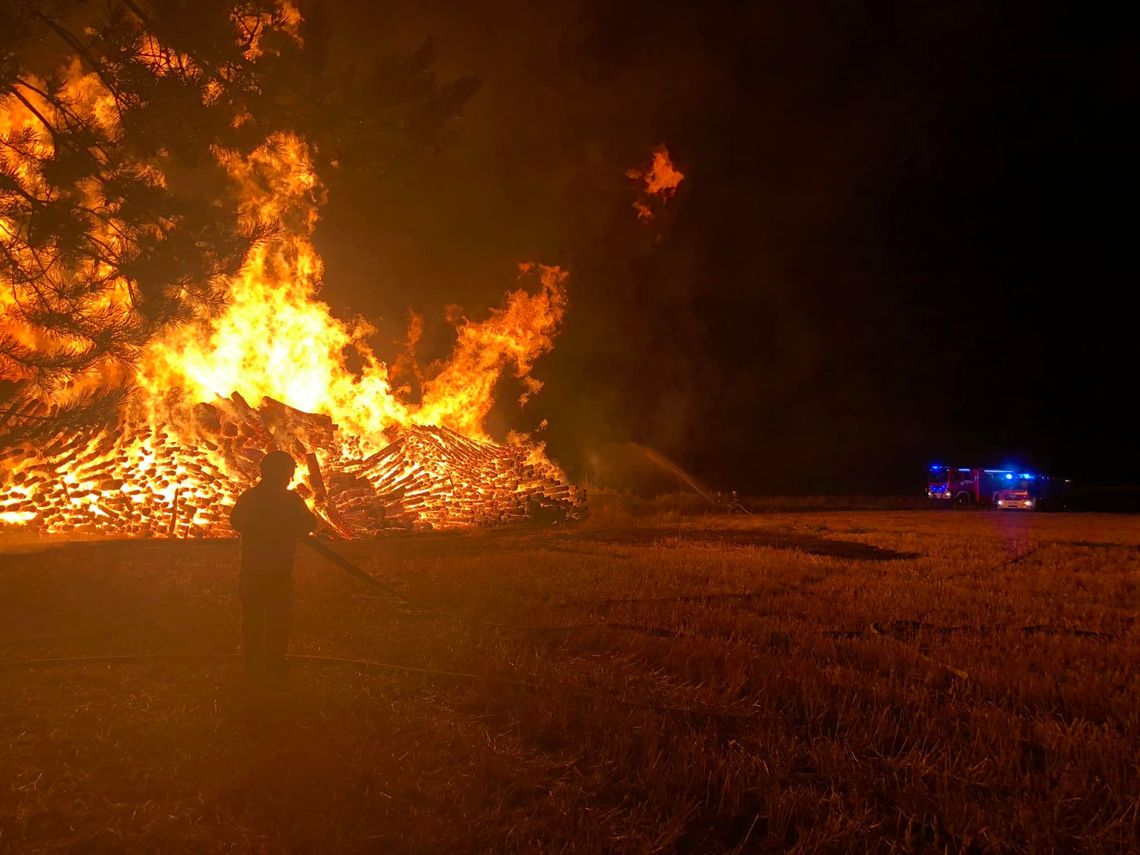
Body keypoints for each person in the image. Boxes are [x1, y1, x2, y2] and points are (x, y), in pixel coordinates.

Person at [230, 450, 318, 678]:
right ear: (286, 475)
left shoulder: (249, 497)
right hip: (278, 570)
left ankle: (253, 662)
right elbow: (309, 523)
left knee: (253, 618)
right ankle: (275, 662)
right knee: (279, 617)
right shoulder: (290, 500)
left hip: (252, 569)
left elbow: (236, 521)